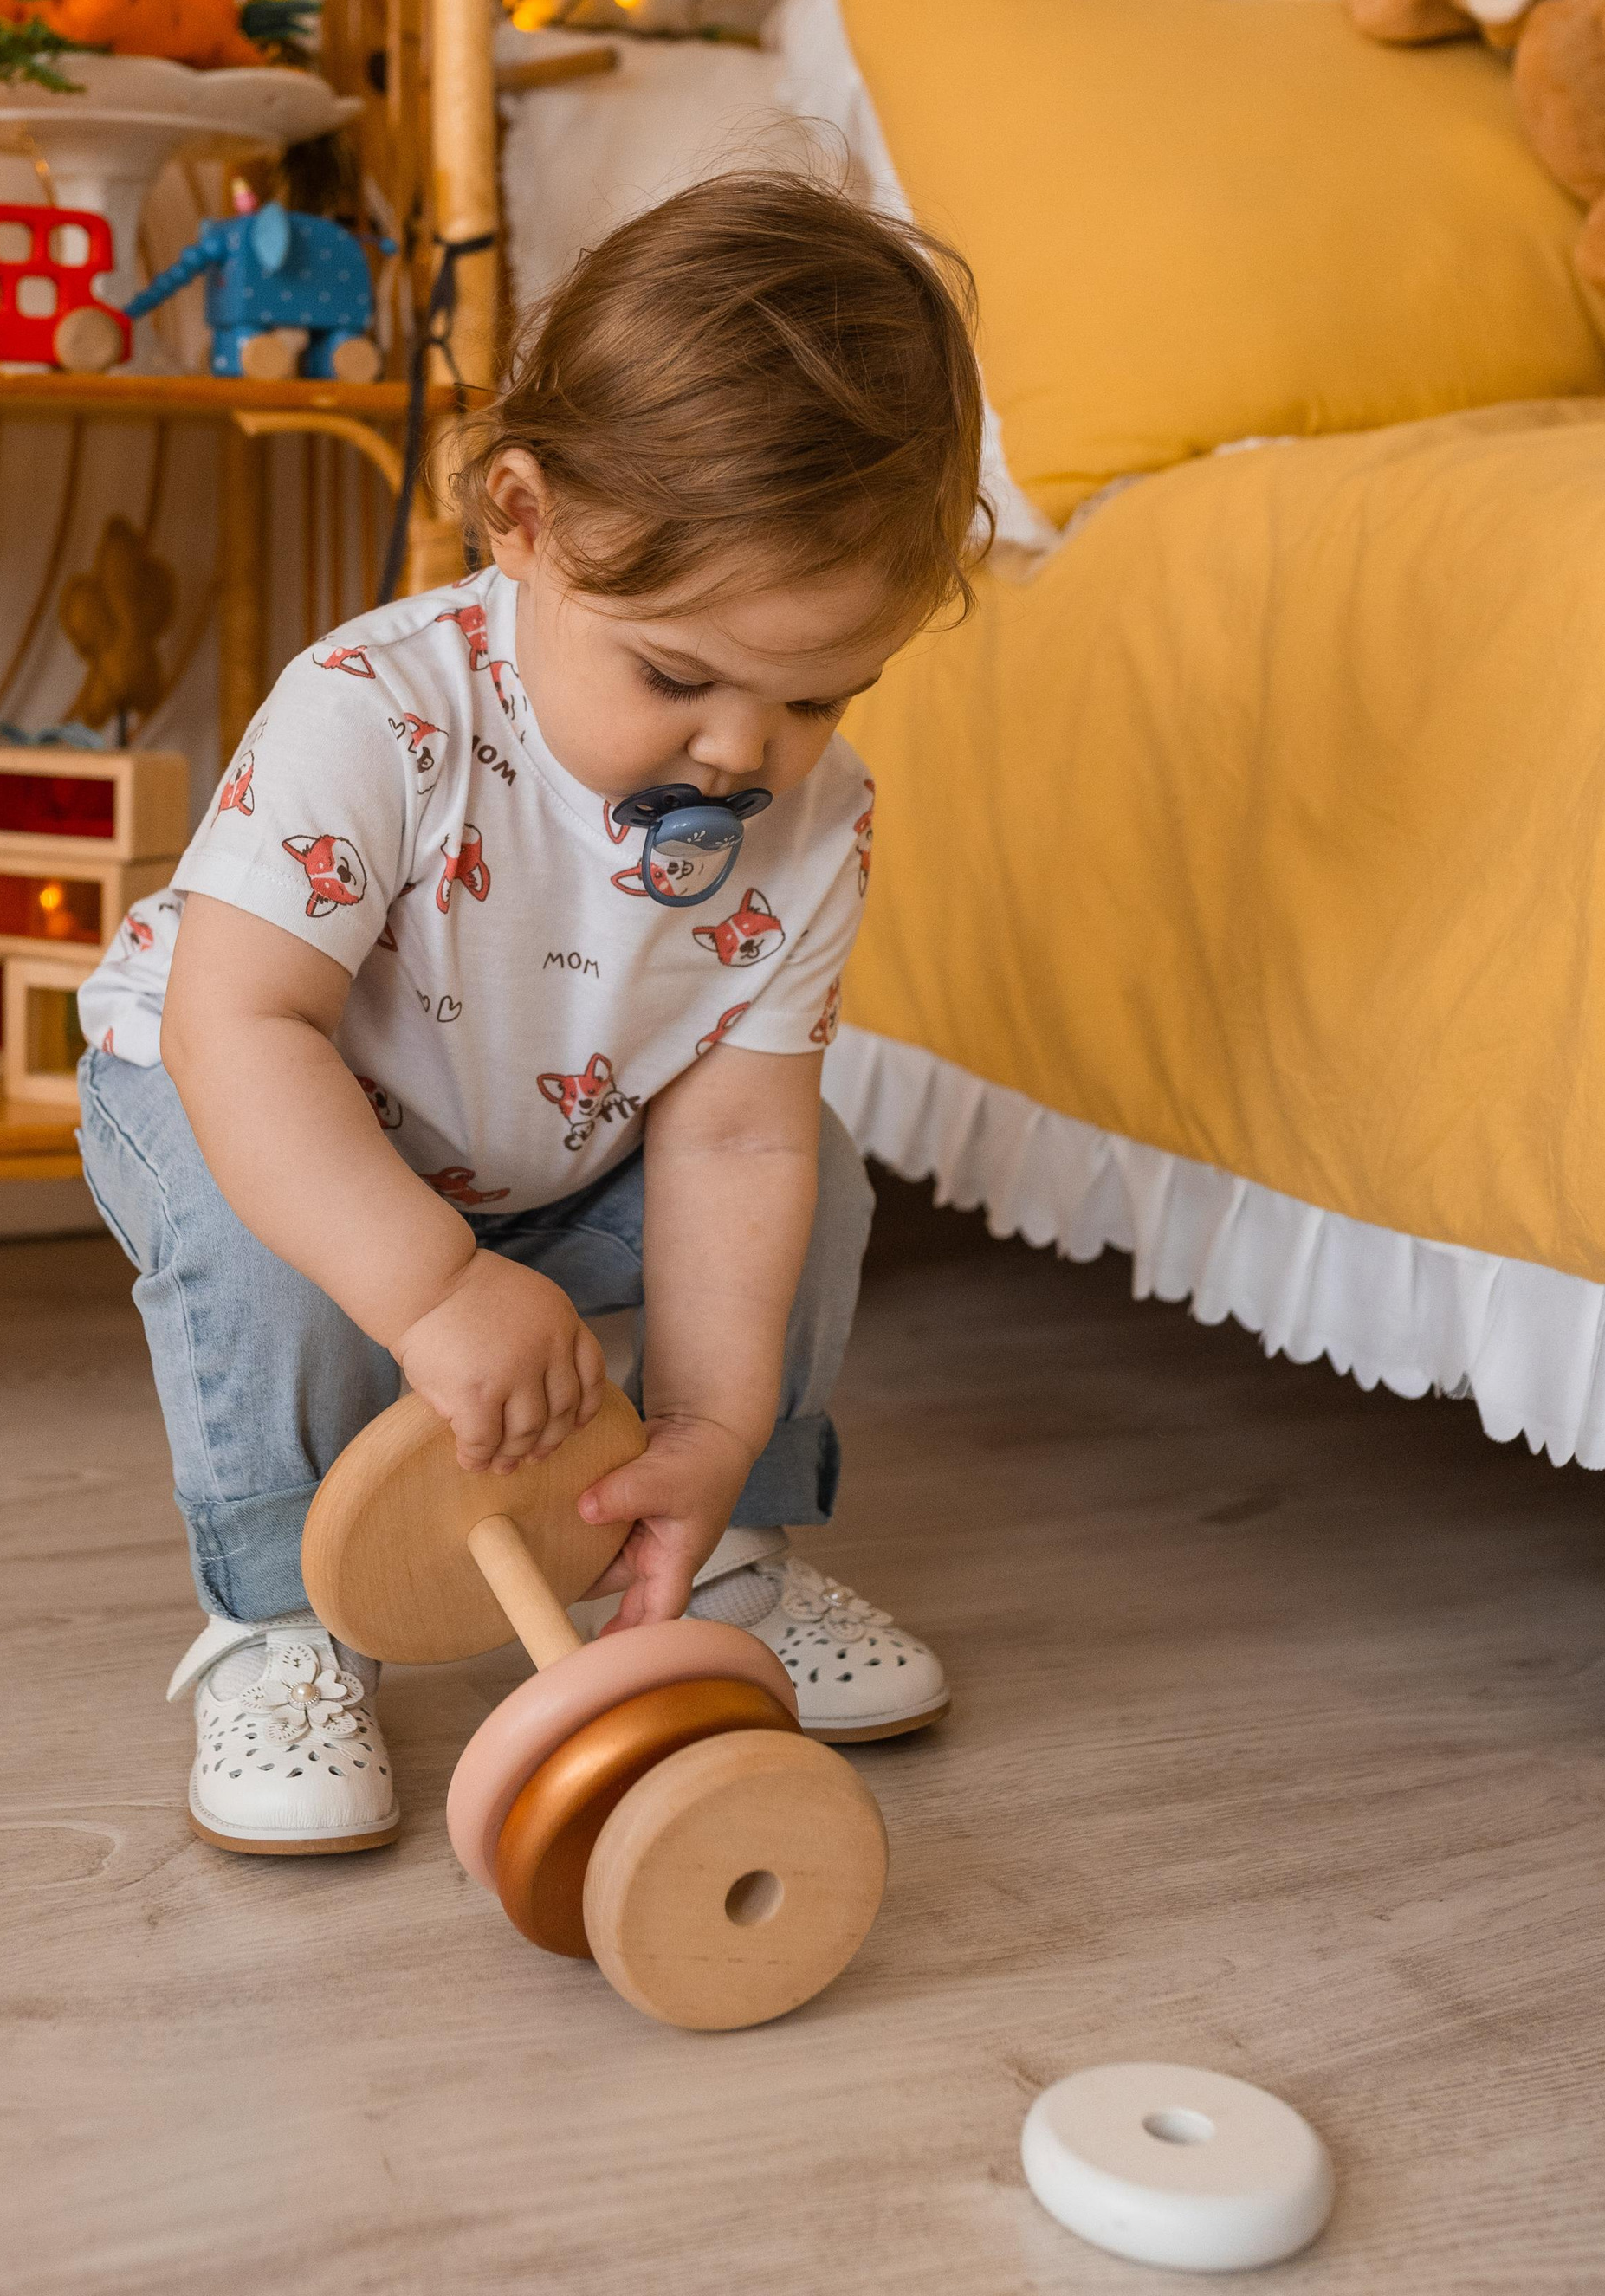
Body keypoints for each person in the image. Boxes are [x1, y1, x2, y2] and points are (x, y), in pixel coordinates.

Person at [77, 171, 987, 1854]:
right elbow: (239, 1033)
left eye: (812, 695)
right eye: (673, 675)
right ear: (522, 521)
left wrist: (706, 1422)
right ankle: (274, 1622)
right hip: (243, 1095)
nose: (737, 756)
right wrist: (429, 1292)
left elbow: (728, 1129)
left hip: (544, 1142)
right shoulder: (374, 716)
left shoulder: (812, 817)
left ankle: (715, 1544)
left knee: (828, 1176)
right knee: (250, 1236)